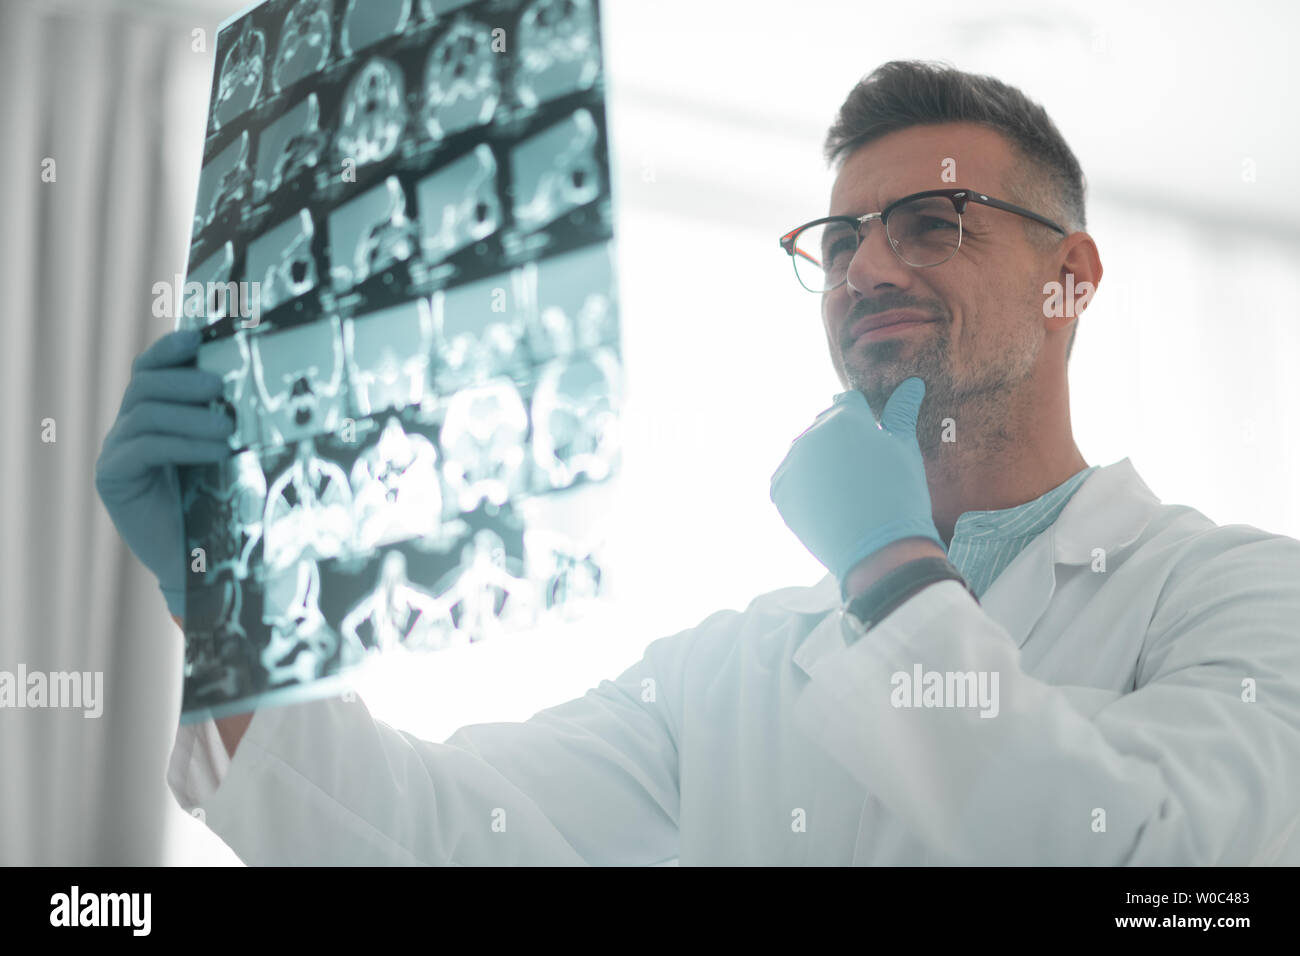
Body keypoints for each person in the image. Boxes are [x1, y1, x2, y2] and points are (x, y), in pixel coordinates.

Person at [96, 60, 1300, 865]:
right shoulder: (724, 672)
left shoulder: (1239, 595)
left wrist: (890, 569)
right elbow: (426, 833)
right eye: (838, 241)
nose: (867, 268)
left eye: (932, 221)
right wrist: (228, 596)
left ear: (1070, 279)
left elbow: (1157, 864)